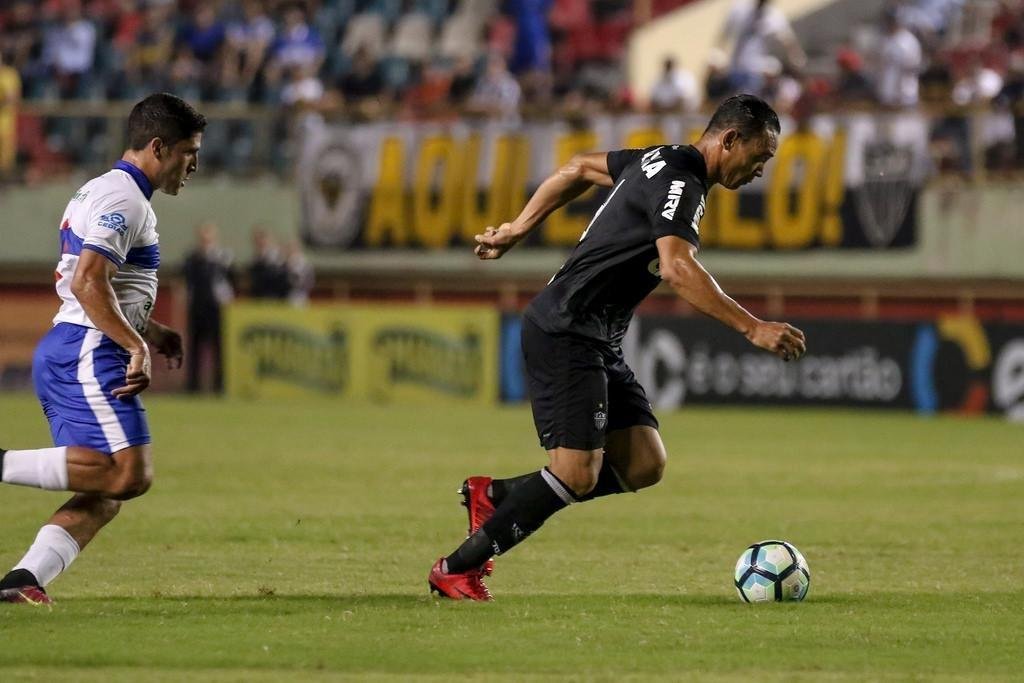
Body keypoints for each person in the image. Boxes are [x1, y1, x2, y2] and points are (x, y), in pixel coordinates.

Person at [427, 94, 807, 600]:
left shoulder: (655, 160)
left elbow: (578, 166)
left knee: (644, 463)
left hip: (596, 336)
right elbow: (675, 267)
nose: (760, 170)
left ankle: (495, 495)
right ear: (730, 140)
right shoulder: (682, 181)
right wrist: (751, 326)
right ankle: (457, 567)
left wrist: (519, 228)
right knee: (576, 474)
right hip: (567, 328)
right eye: (759, 157)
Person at [0, 93, 206, 605]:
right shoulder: (125, 200)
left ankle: (22, 581)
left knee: (107, 490)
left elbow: (92, 283)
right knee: (128, 473)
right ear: (157, 147)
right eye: (187, 151)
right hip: (88, 350)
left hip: (77, 346)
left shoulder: (103, 190)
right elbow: (91, 282)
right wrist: (135, 344)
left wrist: (150, 331)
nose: (194, 164)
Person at [182, 221, 235, 393]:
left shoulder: (223, 259)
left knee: (218, 347)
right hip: (197, 308)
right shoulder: (191, 259)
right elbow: (186, 284)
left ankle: (219, 385)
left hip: (216, 309)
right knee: (195, 348)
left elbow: (231, 283)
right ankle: (193, 386)